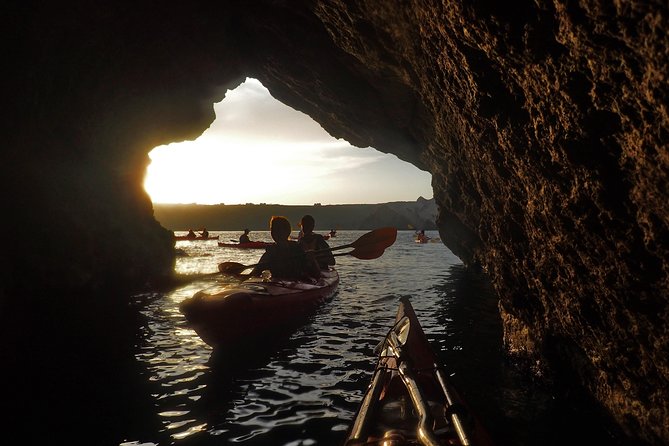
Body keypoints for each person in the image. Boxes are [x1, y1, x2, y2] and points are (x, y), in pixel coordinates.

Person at [250, 216, 321, 280]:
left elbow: (316, 275)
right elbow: (254, 274)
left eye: (278, 229)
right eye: (272, 229)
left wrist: (312, 259)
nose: (274, 232)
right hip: (277, 286)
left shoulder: (296, 248)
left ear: (287, 231)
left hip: (297, 284)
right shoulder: (270, 252)